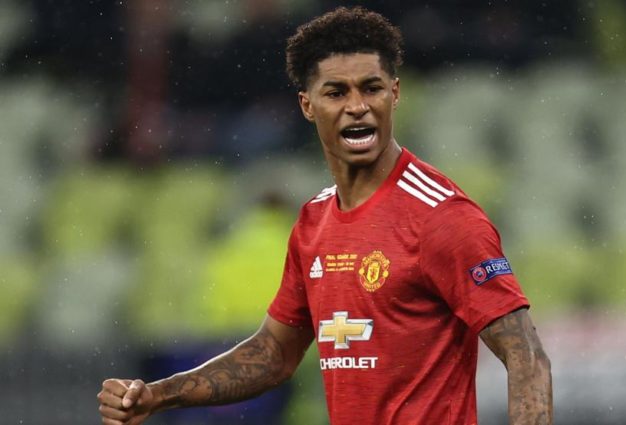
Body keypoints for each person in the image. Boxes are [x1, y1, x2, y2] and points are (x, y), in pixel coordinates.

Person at [98, 6, 552, 425]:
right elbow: (275, 353)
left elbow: (527, 356)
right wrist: (159, 395)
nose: (357, 106)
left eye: (371, 88)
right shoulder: (314, 221)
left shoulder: (441, 216)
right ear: (307, 105)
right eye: (336, 92)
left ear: (394, 94)